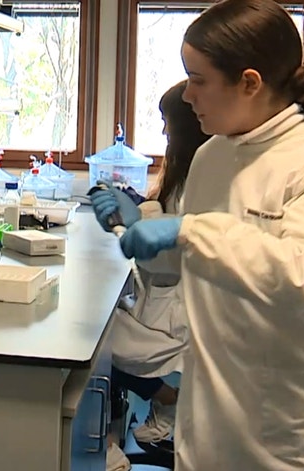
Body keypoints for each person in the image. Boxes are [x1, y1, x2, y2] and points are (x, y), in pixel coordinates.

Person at [111, 0, 304, 468]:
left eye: (198, 80)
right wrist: (138, 229)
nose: (188, 96)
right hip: (213, 414)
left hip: (298, 425)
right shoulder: (212, 156)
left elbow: (300, 274)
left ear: (250, 82)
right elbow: (195, 260)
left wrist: (186, 230)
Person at [94, 81, 211, 471]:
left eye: (167, 122)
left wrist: (139, 227)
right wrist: (137, 212)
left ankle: (164, 403)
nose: (163, 131)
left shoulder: (205, 171)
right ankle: (142, 417)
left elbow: (183, 250)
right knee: (102, 328)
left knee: (98, 341)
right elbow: (170, 221)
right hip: (163, 301)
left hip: (182, 318)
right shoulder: (184, 169)